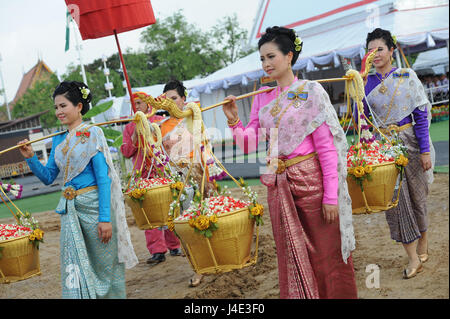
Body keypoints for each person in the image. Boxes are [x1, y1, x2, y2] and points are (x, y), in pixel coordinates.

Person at [221, 26, 357, 299]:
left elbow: (327, 150)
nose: (266, 64)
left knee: (325, 253)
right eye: (262, 59)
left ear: (289, 57)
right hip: (278, 187)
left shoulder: (311, 92)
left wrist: (331, 196)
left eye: (271, 56)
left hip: (313, 187)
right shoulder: (262, 96)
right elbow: (250, 142)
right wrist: (234, 119)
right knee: (291, 255)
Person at [18, 81, 138, 298]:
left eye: (63, 106)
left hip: (94, 209)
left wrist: (104, 218)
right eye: (56, 107)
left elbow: (103, 179)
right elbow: (48, 178)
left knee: (104, 264)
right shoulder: (57, 139)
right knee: (75, 266)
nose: (58, 112)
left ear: (79, 106)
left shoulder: (93, 133)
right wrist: (31, 159)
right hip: (70, 212)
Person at [363, 28, 435, 279]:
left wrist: (425, 151)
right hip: (383, 150)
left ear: (391, 51)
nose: (375, 54)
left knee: (417, 196)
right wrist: (357, 88)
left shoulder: (406, 76)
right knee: (394, 203)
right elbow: (363, 121)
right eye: (370, 50)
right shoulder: (365, 83)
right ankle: (413, 258)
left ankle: (423, 241)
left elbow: (420, 116)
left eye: (380, 48)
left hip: (410, 143)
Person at [158, 79, 218, 287]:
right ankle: (198, 268)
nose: (171, 103)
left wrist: (208, 179)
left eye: (174, 98)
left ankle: (214, 260)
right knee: (187, 227)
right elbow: (160, 157)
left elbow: (205, 150)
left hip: (198, 176)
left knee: (206, 222)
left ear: (184, 99)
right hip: (178, 182)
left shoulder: (195, 119)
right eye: (166, 100)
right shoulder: (161, 127)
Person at [120, 91, 183, 265]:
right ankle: (157, 250)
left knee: (169, 208)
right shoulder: (130, 127)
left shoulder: (160, 122)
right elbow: (126, 151)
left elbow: (171, 144)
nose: (137, 107)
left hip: (161, 171)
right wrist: (134, 136)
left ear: (148, 104)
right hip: (142, 175)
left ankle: (174, 245)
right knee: (149, 213)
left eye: (140, 103)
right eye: (134, 104)